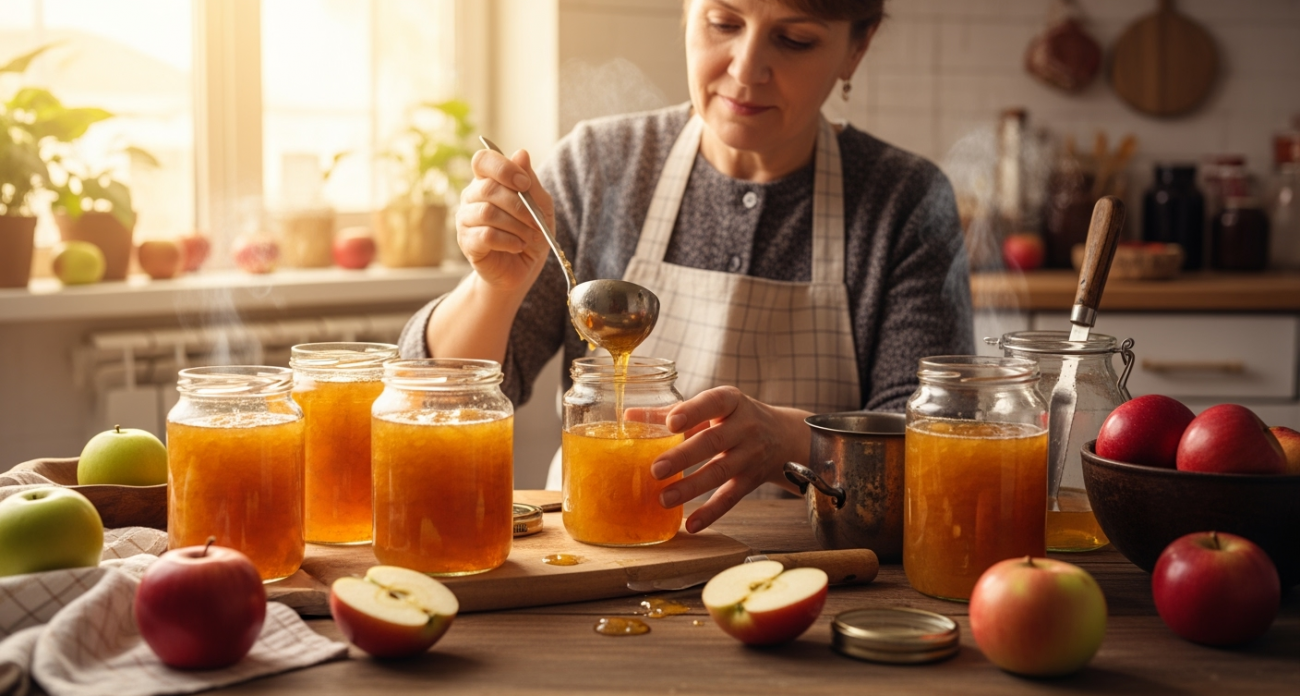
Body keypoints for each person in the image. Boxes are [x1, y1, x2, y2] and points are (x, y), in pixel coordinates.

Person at [398, 0, 974, 534]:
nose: (747, 70)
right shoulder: (599, 166)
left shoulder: (907, 202)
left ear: (857, 47)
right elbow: (431, 403)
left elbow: (937, 450)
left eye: (794, 39)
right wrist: (493, 289)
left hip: (817, 568)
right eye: (723, 23)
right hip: (598, 556)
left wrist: (793, 440)